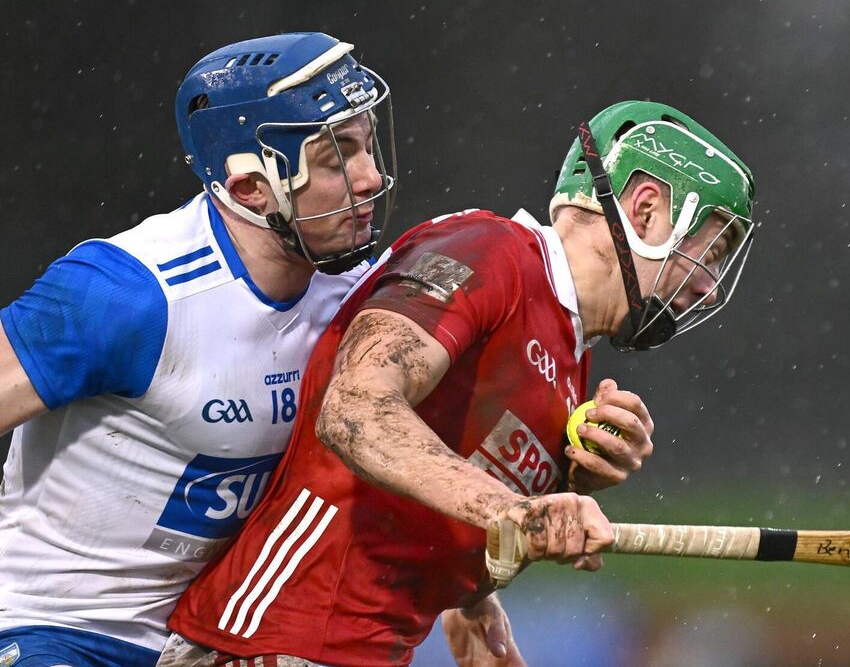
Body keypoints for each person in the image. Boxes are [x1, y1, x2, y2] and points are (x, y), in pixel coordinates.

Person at [160, 100, 756, 667]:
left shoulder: (571, 360)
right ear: (646, 210)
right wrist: (518, 512)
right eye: (711, 249)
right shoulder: (491, 253)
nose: (708, 287)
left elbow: (437, 493)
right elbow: (354, 410)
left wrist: (476, 595)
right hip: (269, 644)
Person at [0, 32, 396, 667]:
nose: (371, 177)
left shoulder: (360, 293)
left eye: (368, 146)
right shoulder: (126, 294)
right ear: (250, 189)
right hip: (55, 628)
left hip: (216, 638)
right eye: (336, 158)